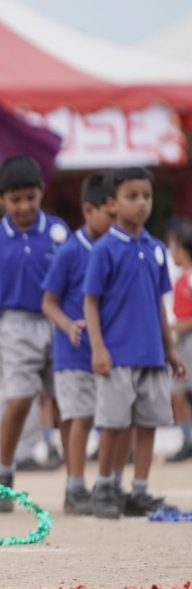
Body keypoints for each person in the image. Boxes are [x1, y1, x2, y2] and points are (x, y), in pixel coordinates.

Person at [0, 155, 70, 512]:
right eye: (16, 199)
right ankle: (5, 472)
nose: (24, 206)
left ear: (42, 192)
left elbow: (73, 282)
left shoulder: (59, 232)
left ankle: (75, 485)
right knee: (18, 398)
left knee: (67, 402)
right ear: (1, 199)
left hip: (58, 323)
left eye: (30, 197)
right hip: (14, 325)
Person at [84, 167, 185, 518]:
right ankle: (105, 486)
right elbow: (90, 301)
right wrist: (98, 347)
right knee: (114, 424)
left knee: (148, 422)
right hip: (117, 355)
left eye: (147, 196)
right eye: (132, 197)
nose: (141, 203)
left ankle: (139, 490)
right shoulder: (105, 249)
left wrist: (170, 348)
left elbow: (159, 302)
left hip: (152, 355)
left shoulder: (157, 249)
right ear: (113, 203)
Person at [41, 173, 114, 515]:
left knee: (106, 418)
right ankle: (74, 487)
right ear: (89, 210)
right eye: (110, 214)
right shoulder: (70, 250)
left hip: (110, 351)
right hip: (73, 352)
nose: (117, 222)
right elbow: (48, 302)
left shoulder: (117, 247)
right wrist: (68, 325)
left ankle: (106, 484)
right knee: (78, 418)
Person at [166, 219, 192, 462]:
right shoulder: (182, 278)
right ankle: (188, 439)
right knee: (178, 392)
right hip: (182, 340)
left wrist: (177, 326)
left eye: (172, 247)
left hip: (189, 340)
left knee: (181, 391)